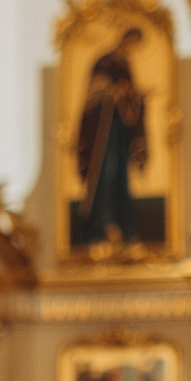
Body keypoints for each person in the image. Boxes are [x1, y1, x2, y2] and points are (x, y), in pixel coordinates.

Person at [72, 27, 149, 247]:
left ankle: (123, 226)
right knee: (105, 175)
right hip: (102, 134)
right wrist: (113, 92)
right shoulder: (104, 63)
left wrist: (133, 96)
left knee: (120, 179)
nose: (132, 49)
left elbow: (130, 98)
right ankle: (101, 226)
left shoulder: (126, 67)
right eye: (131, 43)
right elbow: (94, 94)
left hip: (119, 132)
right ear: (124, 40)